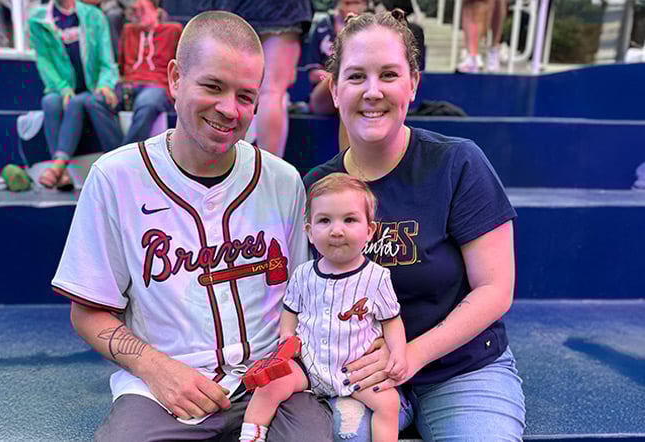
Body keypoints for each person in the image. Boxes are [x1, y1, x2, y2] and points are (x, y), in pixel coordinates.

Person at [51, 10, 332, 441]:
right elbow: (87, 311)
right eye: (212, 86)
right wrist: (155, 368)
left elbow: (300, 300)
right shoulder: (115, 176)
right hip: (162, 388)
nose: (228, 109)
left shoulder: (283, 180)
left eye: (245, 96)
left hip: (269, 383)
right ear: (175, 78)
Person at [303, 9, 526, 441]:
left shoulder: (458, 162)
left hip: (462, 369)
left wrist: (410, 353)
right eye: (355, 77)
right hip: (360, 377)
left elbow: (495, 289)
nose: (372, 92)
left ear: (413, 84)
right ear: (333, 89)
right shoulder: (317, 187)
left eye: (389, 74)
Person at [240, 172, 407, 442]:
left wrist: (398, 352)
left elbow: (391, 320)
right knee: (269, 386)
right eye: (324, 220)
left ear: (369, 230)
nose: (336, 230)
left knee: (388, 403)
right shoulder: (303, 274)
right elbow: (290, 311)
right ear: (309, 231)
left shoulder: (376, 278)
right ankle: (251, 436)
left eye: (349, 220)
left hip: (355, 370)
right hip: (309, 365)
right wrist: (287, 336)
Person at [197, 0, 314, 158]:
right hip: (283, 11)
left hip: (235, 9)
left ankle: (227, 163)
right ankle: (267, 171)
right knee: (272, 92)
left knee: (231, 88)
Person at [29, 0, 123, 189]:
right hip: (64, 87)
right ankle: (62, 173)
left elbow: (107, 59)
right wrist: (63, 89)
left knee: (77, 101)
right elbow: (45, 63)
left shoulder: (94, 16)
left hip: (93, 86)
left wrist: (104, 84)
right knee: (50, 101)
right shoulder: (38, 19)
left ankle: (57, 166)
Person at [116, 0, 181, 144]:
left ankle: (125, 155)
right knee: (94, 102)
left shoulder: (173, 30)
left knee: (147, 104)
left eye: (142, 9)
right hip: (129, 83)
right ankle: (114, 150)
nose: (137, 14)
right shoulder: (129, 30)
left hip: (156, 84)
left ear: (155, 10)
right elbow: (121, 63)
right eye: (134, 10)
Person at [304, 0, 369, 115]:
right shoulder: (323, 27)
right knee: (342, 81)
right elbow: (313, 75)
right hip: (325, 92)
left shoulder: (374, 30)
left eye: (357, 3)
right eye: (348, 3)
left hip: (363, 90)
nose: (352, 8)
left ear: (365, 5)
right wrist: (334, 79)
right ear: (338, 3)